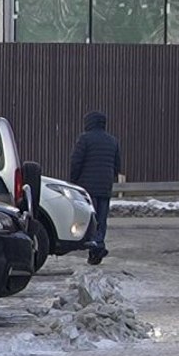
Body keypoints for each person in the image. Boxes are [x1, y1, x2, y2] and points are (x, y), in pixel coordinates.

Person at [69, 110, 121, 265]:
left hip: (87, 187)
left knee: (90, 217)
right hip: (105, 186)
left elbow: (76, 161)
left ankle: (94, 245)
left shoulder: (84, 139)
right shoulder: (112, 140)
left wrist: (73, 181)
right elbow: (117, 165)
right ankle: (99, 244)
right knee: (102, 218)